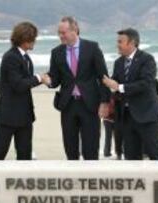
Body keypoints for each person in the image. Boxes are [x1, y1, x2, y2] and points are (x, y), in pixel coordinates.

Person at [45, 16, 111, 160]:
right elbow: (55, 80)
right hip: (68, 105)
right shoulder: (56, 52)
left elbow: (103, 76)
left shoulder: (92, 47)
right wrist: (48, 81)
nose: (61, 36)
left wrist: (105, 102)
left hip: (89, 104)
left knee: (91, 149)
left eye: (63, 32)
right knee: (70, 149)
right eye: (59, 33)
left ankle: (91, 179)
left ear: (74, 30)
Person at [0, 22, 49, 160]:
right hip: (8, 115)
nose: (35, 41)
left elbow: (26, 83)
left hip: (25, 116)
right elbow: (18, 84)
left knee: (25, 155)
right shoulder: (11, 57)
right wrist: (39, 78)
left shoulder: (26, 57)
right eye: (33, 38)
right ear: (24, 38)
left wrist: (42, 80)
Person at [103, 28, 158, 160]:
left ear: (132, 43)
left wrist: (119, 86)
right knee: (131, 158)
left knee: (155, 154)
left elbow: (146, 83)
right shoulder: (118, 62)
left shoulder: (147, 59)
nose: (117, 45)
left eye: (120, 41)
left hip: (147, 116)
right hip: (126, 118)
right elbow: (115, 84)